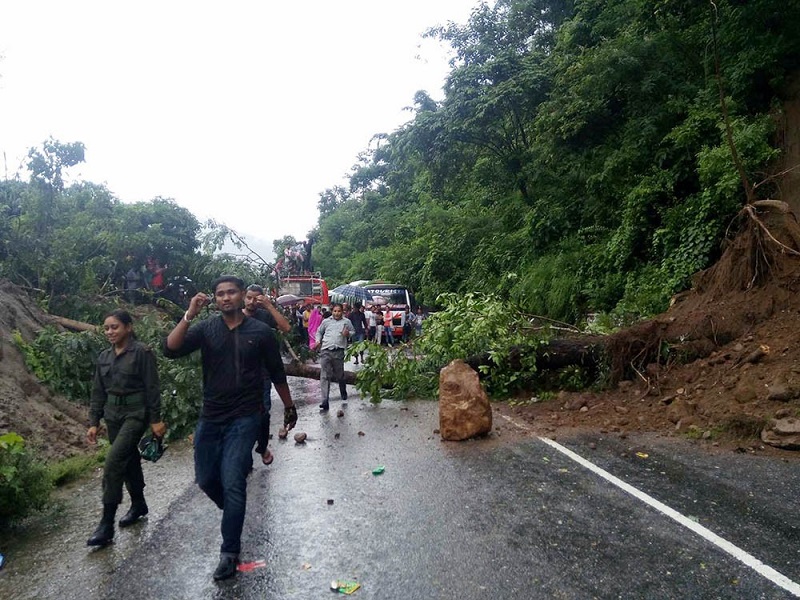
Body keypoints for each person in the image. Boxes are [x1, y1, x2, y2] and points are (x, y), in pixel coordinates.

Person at [163, 276, 298, 581]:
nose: (226, 297)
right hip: (211, 416)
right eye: (220, 294)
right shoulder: (207, 329)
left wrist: (290, 407)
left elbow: (277, 373)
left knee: (233, 478)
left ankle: (229, 553)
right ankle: (233, 509)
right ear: (215, 299)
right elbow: (170, 349)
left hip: (245, 416)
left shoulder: (261, 332)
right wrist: (189, 315)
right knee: (206, 478)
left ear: (241, 296)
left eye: (231, 292)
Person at [86, 309, 166, 547]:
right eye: (107, 328)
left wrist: (155, 419)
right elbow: (98, 391)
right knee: (129, 460)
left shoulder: (142, 353)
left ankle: (106, 524)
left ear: (128, 327)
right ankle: (139, 504)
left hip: (135, 414)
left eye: (115, 327)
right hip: (113, 416)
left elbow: (152, 387)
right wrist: (93, 421)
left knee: (113, 462)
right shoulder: (104, 357)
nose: (110, 332)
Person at [243, 284, 292, 466]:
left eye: (256, 298)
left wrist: (270, 306)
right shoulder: (236, 316)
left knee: (263, 413)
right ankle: (245, 456)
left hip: (262, 374)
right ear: (243, 297)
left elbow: (286, 327)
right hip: (239, 375)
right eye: (248, 297)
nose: (251, 301)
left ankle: (262, 446)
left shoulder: (264, 316)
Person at [313, 303, 353, 411]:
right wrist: (318, 341)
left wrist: (347, 334)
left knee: (340, 375)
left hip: (338, 352)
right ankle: (325, 401)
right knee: (325, 376)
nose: (336, 313)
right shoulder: (326, 321)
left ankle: (343, 393)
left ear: (342, 312)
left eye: (339, 311)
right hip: (326, 351)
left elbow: (353, 332)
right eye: (335, 311)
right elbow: (319, 332)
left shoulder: (346, 322)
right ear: (332, 311)